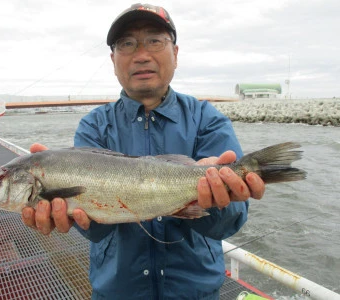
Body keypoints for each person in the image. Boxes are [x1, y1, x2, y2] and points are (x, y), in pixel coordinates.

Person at [22, 4, 266, 299]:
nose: (141, 54)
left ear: (175, 53)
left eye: (155, 40)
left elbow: (232, 221)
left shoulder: (207, 119)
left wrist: (218, 200)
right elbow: (96, 231)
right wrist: (70, 216)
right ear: (113, 60)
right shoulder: (94, 126)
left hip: (196, 292)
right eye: (127, 43)